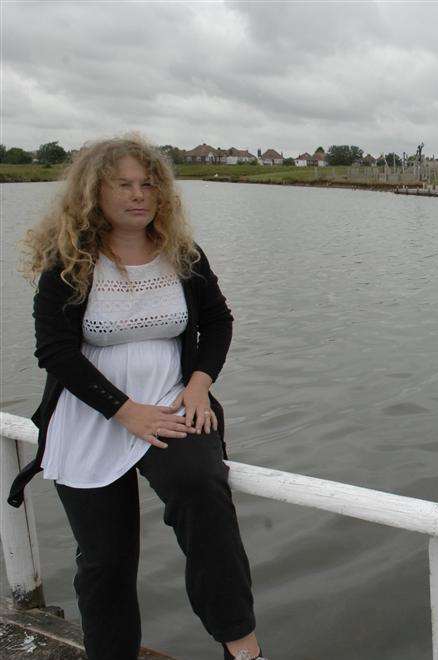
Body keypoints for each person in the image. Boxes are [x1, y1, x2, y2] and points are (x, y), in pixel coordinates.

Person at [8, 135, 266, 660]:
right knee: (105, 562)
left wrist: (199, 384)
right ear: (93, 193)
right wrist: (125, 412)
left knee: (203, 493)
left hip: (172, 405)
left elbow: (217, 321)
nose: (138, 195)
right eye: (122, 184)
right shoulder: (70, 262)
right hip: (93, 413)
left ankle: (242, 647)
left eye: (148, 183)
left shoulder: (183, 256)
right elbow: (54, 350)